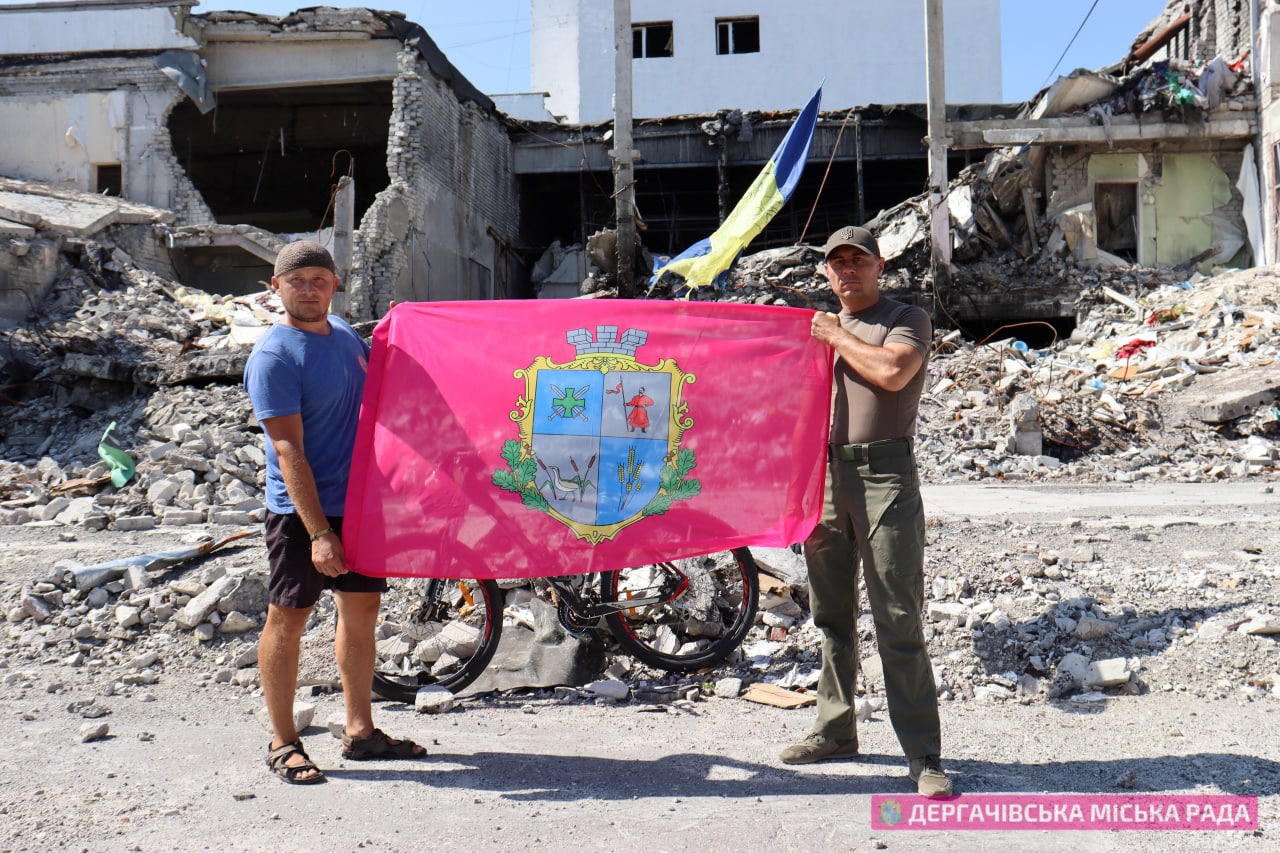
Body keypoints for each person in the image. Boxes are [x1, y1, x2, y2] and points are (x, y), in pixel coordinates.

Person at [779, 225, 952, 798]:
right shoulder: (813, 329)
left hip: (884, 477)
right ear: (826, 273)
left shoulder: (906, 318)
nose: (848, 270)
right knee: (830, 617)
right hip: (824, 475)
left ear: (880, 266)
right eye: (838, 263)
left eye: (859, 261)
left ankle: (924, 756)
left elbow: (892, 372)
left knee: (898, 617)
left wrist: (832, 335)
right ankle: (835, 730)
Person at [244, 240, 426, 785]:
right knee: (289, 618)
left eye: (319, 279)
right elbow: (288, 451)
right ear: (275, 288)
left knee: (361, 611)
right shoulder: (274, 356)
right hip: (304, 514)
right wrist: (319, 532)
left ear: (334, 285)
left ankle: (360, 730)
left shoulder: (346, 335)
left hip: (362, 503)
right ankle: (283, 740)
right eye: (296, 281)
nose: (308, 289)